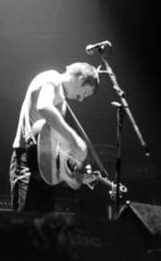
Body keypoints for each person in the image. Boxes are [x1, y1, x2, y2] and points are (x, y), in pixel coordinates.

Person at [10, 62, 99, 212]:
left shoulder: (62, 102)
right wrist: (74, 139)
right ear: (81, 78)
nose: (81, 99)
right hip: (27, 160)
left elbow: (55, 148)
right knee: (24, 225)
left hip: (45, 170)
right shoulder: (51, 77)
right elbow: (43, 106)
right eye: (85, 93)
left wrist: (77, 175)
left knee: (45, 228)